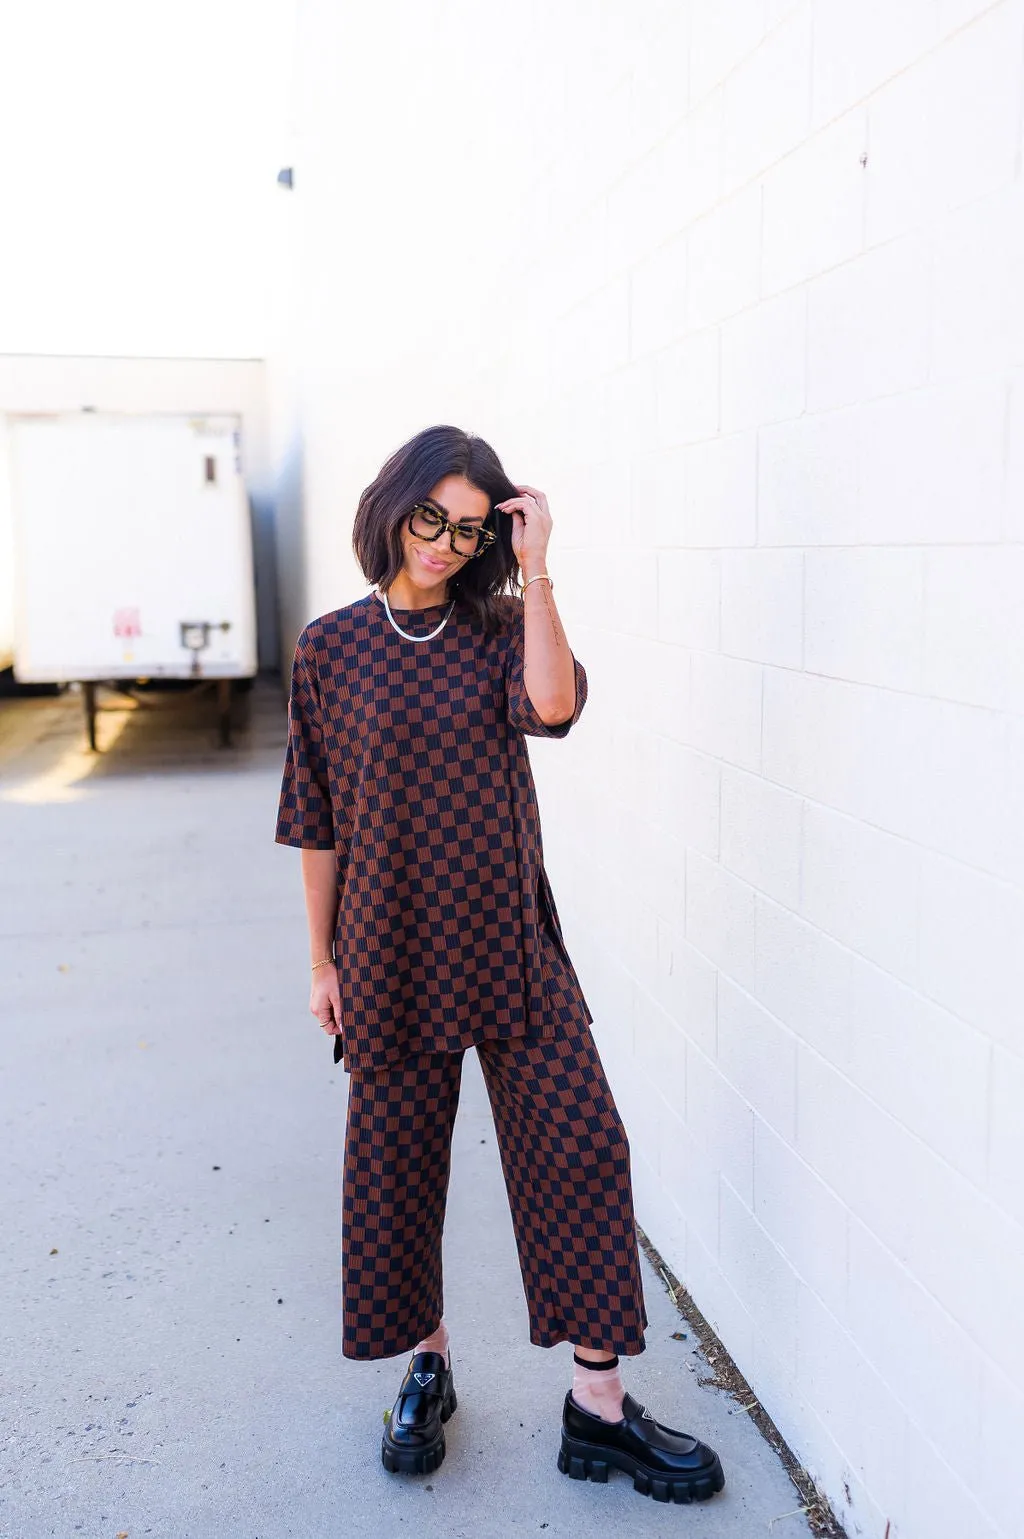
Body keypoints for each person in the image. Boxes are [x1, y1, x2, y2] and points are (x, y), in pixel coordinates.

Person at [275, 424, 725, 1504]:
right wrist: (321, 962)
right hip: (386, 948)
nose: (442, 542)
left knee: (580, 1147)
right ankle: (426, 1369)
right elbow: (317, 821)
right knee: (397, 1168)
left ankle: (598, 1408)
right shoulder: (329, 648)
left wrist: (533, 564)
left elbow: (557, 706)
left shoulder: (499, 626)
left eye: (468, 529)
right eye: (431, 517)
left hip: (509, 938)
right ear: (393, 506)